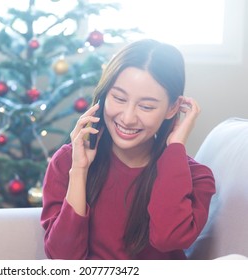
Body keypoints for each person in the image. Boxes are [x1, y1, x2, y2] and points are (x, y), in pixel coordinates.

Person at [40, 39, 216, 260]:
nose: (128, 118)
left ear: (172, 108)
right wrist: (79, 170)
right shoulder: (68, 161)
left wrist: (175, 148)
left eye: (146, 106)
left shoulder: (197, 177)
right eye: (119, 98)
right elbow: (63, 260)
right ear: (104, 95)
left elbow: (168, 238)